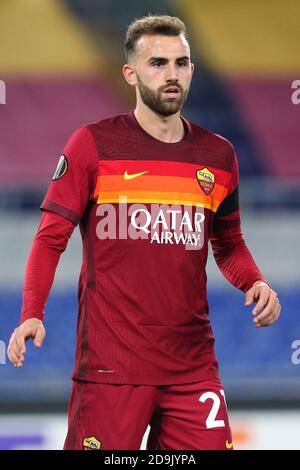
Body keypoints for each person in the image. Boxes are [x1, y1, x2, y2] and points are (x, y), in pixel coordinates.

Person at [7, 15, 281, 450]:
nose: (171, 74)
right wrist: (31, 312)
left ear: (192, 69)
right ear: (130, 73)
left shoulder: (219, 155)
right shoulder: (92, 145)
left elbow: (228, 244)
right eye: (157, 63)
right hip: (111, 371)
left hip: (193, 369)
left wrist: (256, 281)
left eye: (181, 62)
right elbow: (49, 238)